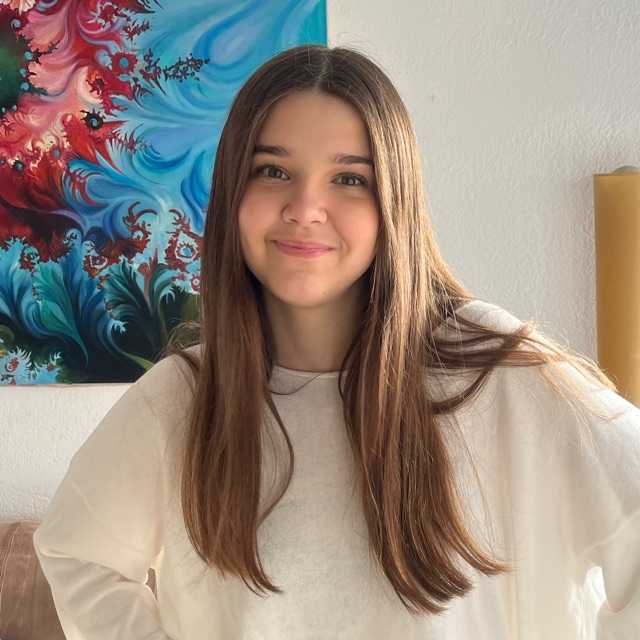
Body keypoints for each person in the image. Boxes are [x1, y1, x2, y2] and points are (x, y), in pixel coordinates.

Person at [33, 43, 640, 639]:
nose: (306, 208)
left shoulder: (497, 373)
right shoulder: (183, 399)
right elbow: (77, 556)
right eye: (273, 171)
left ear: (393, 203)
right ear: (233, 191)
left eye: (350, 178)